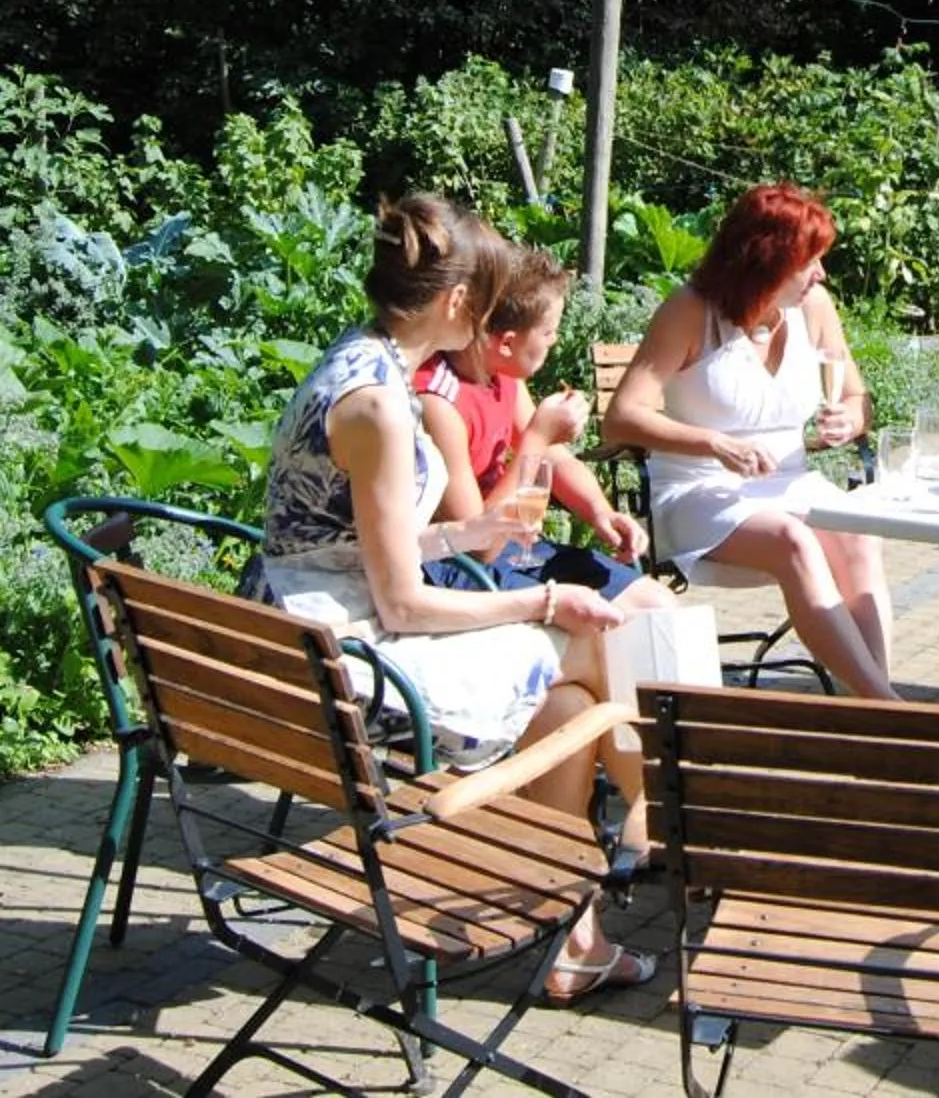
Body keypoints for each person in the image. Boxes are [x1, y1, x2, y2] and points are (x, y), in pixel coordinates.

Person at [255, 194, 658, 1007]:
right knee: (596, 644)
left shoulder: (365, 363)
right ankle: (671, 820)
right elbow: (401, 605)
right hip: (340, 672)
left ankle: (580, 933)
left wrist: (464, 535)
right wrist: (542, 601)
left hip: (316, 636)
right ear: (455, 305)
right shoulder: (378, 402)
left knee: (570, 701)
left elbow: (363, 542)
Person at [603, 182, 897, 699]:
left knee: (858, 531)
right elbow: (621, 418)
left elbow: (859, 400)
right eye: (811, 261)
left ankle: (873, 698)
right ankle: (888, 707)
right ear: (769, 259)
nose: (821, 274)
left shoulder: (815, 308)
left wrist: (848, 422)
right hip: (699, 491)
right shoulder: (691, 311)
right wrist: (713, 443)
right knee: (794, 540)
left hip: (790, 483)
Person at [412, 244, 673, 618]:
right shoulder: (439, 402)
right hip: (459, 572)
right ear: (506, 343)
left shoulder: (501, 376)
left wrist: (600, 512)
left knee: (658, 607)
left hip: (517, 549)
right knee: (609, 625)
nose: (555, 341)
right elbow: (477, 545)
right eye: (549, 332)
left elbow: (552, 457)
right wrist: (537, 437)